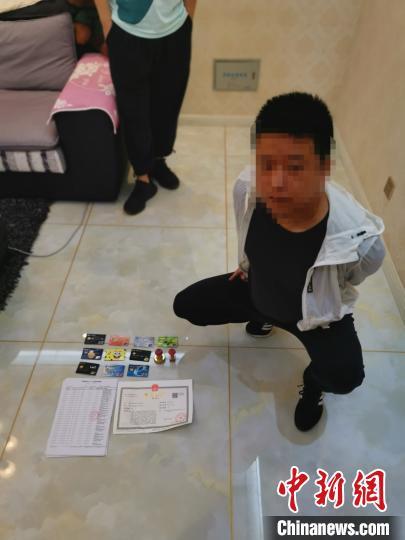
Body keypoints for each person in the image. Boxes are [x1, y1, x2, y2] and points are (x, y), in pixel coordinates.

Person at [173, 91, 386, 432]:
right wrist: (246, 267)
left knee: (346, 377)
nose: (276, 182)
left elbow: (353, 277)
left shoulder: (361, 240)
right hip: (255, 290)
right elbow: (249, 237)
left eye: (296, 167)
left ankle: (313, 385)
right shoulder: (247, 188)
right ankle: (263, 318)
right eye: (267, 164)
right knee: (188, 305)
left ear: (324, 167)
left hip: (314, 317)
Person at [94, 0, 196, 215]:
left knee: (168, 103)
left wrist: (189, 16)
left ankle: (158, 161)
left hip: (176, 30)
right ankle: (143, 177)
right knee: (133, 111)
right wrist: (106, 24)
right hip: (127, 31)